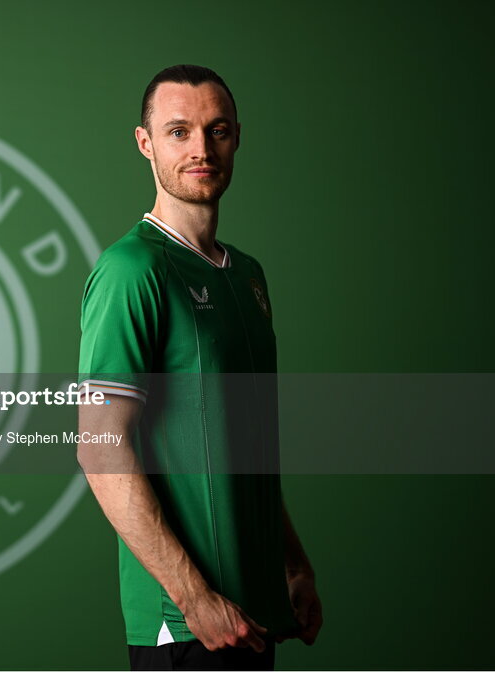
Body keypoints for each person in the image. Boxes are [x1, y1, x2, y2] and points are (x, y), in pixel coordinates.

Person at [76, 64, 323, 671]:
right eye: (179, 131)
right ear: (146, 143)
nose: (201, 150)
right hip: (186, 622)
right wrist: (192, 597)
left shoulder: (247, 276)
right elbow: (99, 446)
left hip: (254, 613)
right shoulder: (132, 270)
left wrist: (290, 563)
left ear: (237, 136)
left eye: (216, 131)